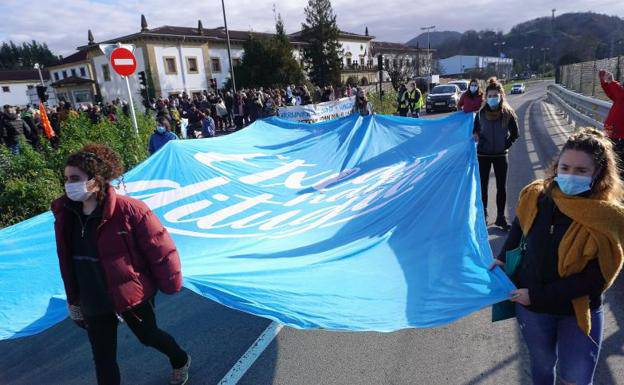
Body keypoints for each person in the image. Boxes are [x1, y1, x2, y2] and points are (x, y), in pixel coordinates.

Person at [492, 128, 624, 385]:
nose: (570, 175)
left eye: (581, 171)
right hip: (533, 310)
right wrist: (502, 257)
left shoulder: (608, 217)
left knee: (575, 378)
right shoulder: (536, 195)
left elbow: (596, 280)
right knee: (542, 368)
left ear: (598, 175)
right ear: (556, 166)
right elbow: (520, 224)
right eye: (565, 167)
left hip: (576, 310)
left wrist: (537, 295)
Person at [51, 144, 191, 385]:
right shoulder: (65, 214)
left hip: (130, 294)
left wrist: (170, 283)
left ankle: (180, 359)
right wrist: (73, 299)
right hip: (92, 299)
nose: (68, 184)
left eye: (75, 178)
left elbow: (160, 248)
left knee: (148, 336)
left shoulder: (130, 210)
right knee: (103, 358)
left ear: (96, 180)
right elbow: (67, 263)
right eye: (66, 179)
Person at [473, 77, 519, 230]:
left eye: (495, 95)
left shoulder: (508, 114)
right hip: (483, 156)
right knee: (483, 187)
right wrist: (476, 137)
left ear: (501, 96)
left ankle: (500, 218)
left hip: (500, 156)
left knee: (501, 187)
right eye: (490, 96)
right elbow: (474, 131)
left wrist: (505, 144)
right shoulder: (480, 114)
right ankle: (483, 216)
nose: (493, 98)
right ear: (486, 97)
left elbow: (515, 133)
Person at [599, 69, 624, 176]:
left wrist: (612, 82)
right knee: (607, 160)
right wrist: (604, 82)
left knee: (617, 165)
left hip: (620, 135)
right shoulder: (619, 96)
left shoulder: (621, 95)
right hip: (611, 131)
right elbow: (612, 93)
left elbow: (620, 93)